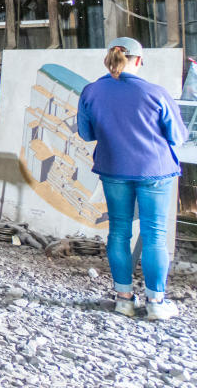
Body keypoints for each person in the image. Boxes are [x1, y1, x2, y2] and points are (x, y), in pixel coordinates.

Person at [77, 37, 187, 321]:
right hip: (155, 171)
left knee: (118, 232)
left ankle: (123, 299)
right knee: (154, 235)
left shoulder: (91, 91)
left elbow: (86, 134)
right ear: (138, 60)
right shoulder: (155, 93)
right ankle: (156, 302)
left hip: (113, 169)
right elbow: (178, 136)